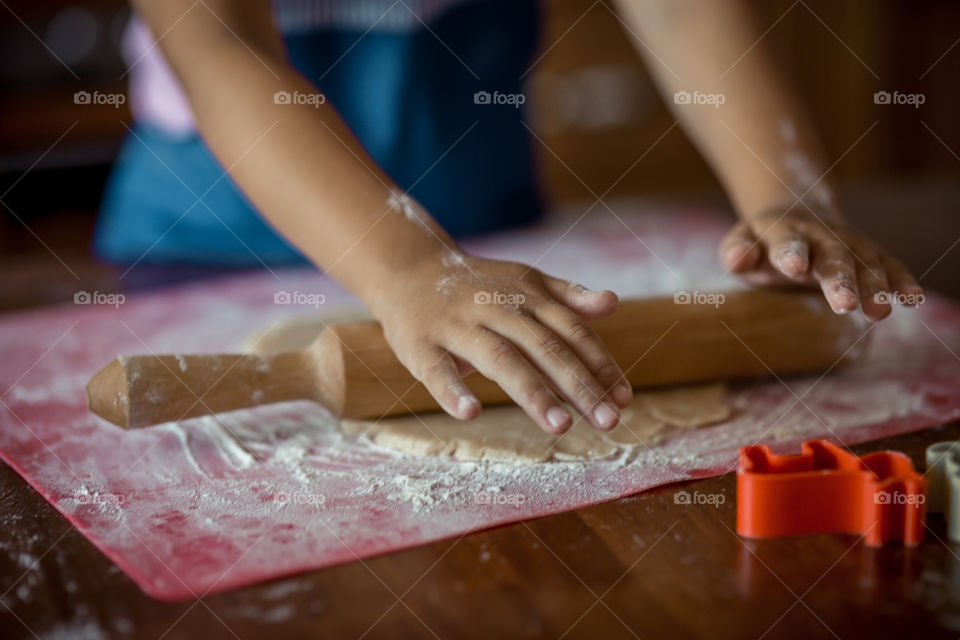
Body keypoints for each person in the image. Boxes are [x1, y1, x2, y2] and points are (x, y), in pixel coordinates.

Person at [96, 0, 922, 435]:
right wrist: (408, 267)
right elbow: (218, 43)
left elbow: (677, 7)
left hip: (482, 216)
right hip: (215, 234)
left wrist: (783, 192)